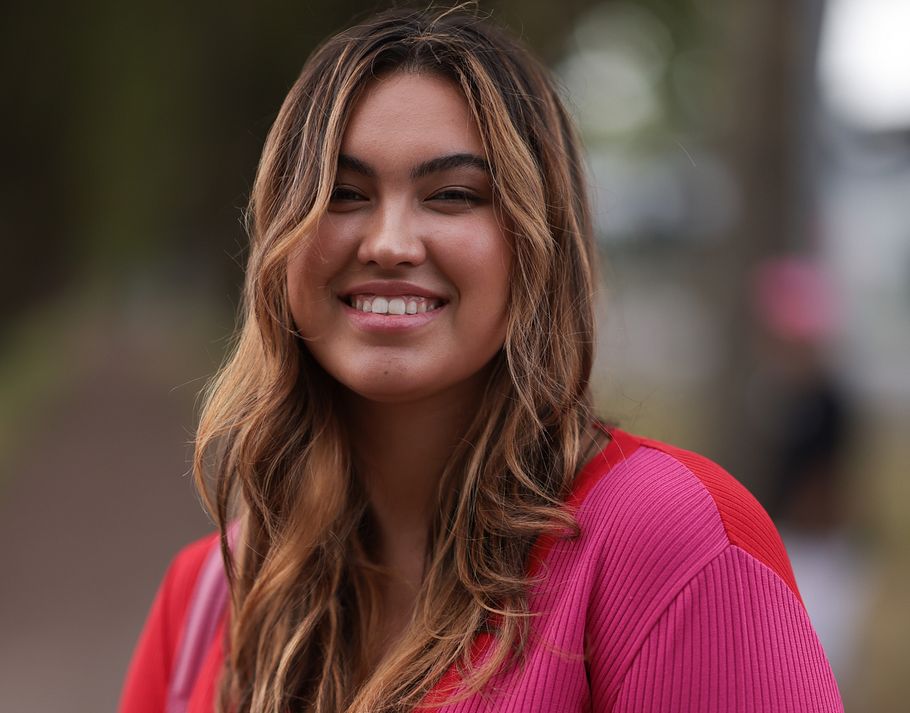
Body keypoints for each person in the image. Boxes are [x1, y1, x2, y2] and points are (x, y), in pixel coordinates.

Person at [118, 6, 844, 713]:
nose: (389, 243)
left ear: (537, 243)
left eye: (452, 195)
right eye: (341, 193)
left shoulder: (672, 545)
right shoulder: (207, 600)